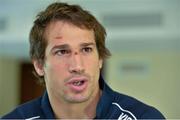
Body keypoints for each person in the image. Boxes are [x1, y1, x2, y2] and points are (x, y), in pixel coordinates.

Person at [2, 2, 165, 119]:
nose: (77, 66)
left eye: (86, 49)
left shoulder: (144, 117)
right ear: (39, 65)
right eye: (62, 51)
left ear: (100, 59)